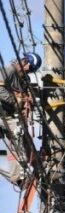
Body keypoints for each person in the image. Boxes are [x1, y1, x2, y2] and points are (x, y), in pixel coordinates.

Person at [0, 52, 41, 186]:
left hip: (11, 116)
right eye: (29, 68)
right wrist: (16, 100)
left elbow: (25, 97)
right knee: (16, 142)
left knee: (23, 141)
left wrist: (27, 100)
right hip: (4, 115)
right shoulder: (9, 71)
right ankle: (19, 178)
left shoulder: (24, 79)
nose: (28, 72)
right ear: (25, 62)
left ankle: (34, 167)